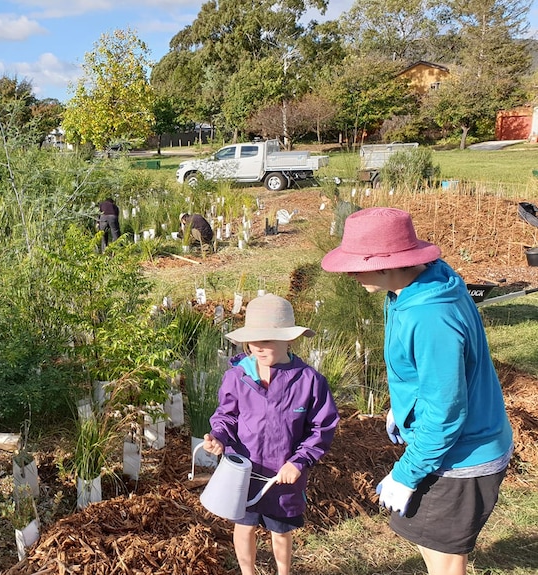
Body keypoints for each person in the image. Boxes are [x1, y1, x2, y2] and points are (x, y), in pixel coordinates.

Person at [321, 207, 513, 575]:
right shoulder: (416, 286)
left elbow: (446, 413)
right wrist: (404, 405)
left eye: (356, 264)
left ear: (388, 264)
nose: (348, 273)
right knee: (427, 540)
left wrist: (406, 474)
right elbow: (433, 379)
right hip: (452, 447)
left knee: (444, 560)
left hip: (461, 456)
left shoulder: (430, 317)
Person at [203, 293, 339, 575]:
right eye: (254, 340)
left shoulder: (309, 381)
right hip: (242, 471)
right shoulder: (237, 376)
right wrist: (218, 436)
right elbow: (227, 416)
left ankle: (283, 572)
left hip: (283, 473)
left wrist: (298, 462)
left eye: (267, 341)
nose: (259, 348)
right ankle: (248, 572)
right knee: (244, 525)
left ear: (288, 339)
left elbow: (321, 428)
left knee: (280, 531)